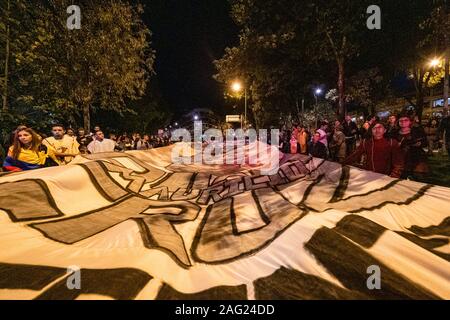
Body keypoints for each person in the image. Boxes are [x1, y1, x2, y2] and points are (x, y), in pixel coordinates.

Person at [397, 112, 429, 180]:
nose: (403, 122)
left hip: (415, 158)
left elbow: (425, 142)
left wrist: (420, 143)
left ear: (409, 121)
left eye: (406, 120)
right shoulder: (395, 132)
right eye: (401, 121)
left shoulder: (416, 131)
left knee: (417, 179)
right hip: (400, 159)